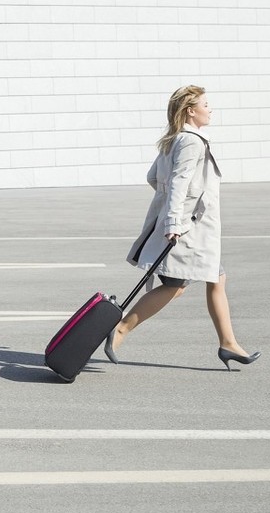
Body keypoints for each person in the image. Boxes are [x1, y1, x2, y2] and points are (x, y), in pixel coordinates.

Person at [104, 84, 260, 370]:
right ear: (191, 110)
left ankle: (228, 343)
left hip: (190, 225)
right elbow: (177, 181)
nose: (210, 109)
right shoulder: (191, 141)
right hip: (188, 228)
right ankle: (121, 329)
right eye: (205, 104)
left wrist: (171, 206)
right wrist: (176, 219)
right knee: (177, 285)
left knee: (216, 277)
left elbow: (154, 178)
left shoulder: (174, 139)